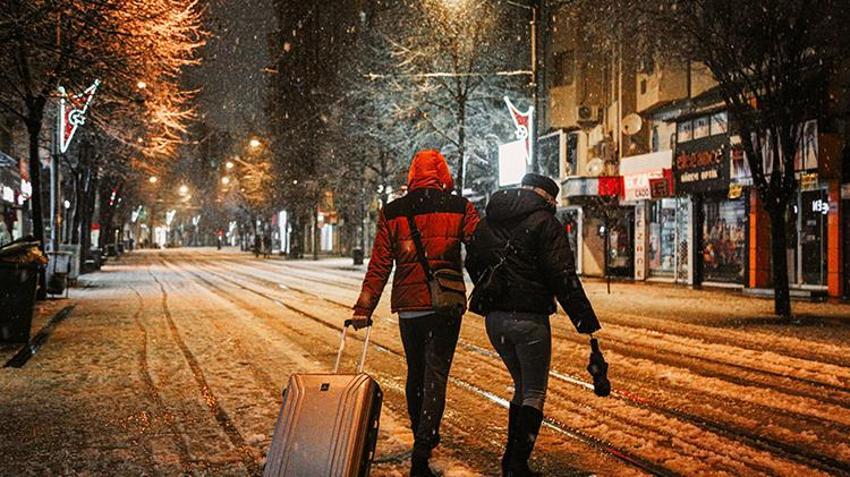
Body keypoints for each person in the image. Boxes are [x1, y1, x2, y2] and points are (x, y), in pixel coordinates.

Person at [350, 149, 479, 477]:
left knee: (416, 372)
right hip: (445, 305)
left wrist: (364, 308)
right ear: (443, 174)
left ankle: (420, 431)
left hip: (410, 308)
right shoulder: (459, 207)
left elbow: (379, 263)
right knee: (436, 374)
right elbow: (481, 248)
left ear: (412, 174)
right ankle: (424, 444)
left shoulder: (394, 212)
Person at [466, 173, 602, 477]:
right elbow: (562, 276)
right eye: (553, 200)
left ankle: (512, 460)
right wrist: (586, 323)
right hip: (529, 320)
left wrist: (494, 289)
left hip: (495, 321)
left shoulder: (490, 220)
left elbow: (472, 261)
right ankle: (515, 464)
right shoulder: (545, 223)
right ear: (546, 197)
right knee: (534, 391)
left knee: (522, 386)